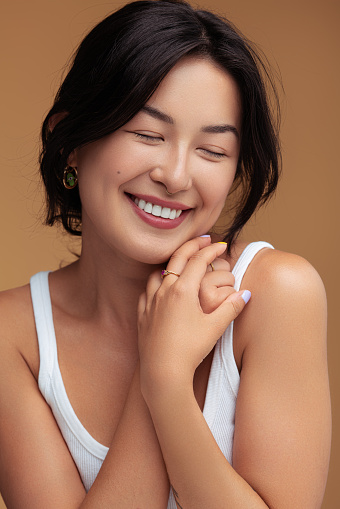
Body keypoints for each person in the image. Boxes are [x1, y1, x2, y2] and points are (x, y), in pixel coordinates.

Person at [0, 0, 331, 507]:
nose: (176, 176)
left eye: (213, 151)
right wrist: (158, 367)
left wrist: (169, 386)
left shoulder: (276, 296)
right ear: (68, 140)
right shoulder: (12, 339)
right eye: (148, 135)